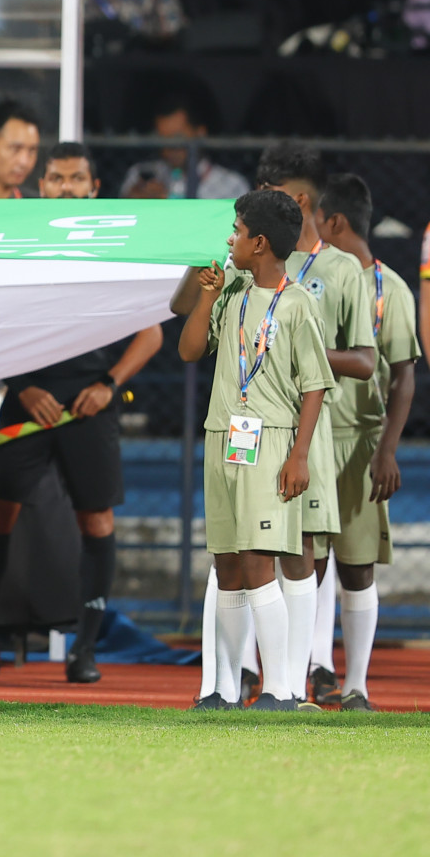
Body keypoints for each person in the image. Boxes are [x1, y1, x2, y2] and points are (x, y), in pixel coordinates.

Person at [0, 143, 164, 683]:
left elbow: (151, 333)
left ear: (94, 190)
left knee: (96, 520)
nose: (66, 188)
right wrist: (22, 388)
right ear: (40, 186)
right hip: (26, 399)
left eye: (76, 180)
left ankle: (84, 651)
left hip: (89, 402)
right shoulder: (18, 246)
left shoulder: (120, 251)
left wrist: (108, 386)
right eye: (56, 179)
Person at [178, 190, 332, 712]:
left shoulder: (297, 305)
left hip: (270, 442)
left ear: (259, 243)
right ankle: (221, 689)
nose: (231, 238)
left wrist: (300, 454)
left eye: (238, 230)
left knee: (259, 563)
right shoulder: (234, 290)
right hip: (223, 436)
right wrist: (206, 295)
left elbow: (315, 384)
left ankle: (280, 690)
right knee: (226, 566)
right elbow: (190, 349)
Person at [250, 144, 374, 709]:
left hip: (316, 435)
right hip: (256, 430)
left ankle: (301, 674)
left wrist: (307, 355)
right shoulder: (254, 261)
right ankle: (261, 674)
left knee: (309, 556)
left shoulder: (343, 270)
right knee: (249, 552)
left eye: (271, 192)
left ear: (298, 201)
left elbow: (367, 361)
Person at [310, 174, 418, 710]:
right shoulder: (315, 279)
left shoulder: (389, 288)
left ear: (333, 222)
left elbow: (403, 375)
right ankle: (306, 673)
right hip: (309, 434)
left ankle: (357, 686)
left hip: (358, 439)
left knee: (356, 565)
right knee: (305, 559)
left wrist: (387, 448)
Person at [119, 95, 249, 200]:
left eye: (177, 138)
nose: (170, 146)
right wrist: (133, 202)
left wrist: (168, 202)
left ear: (200, 133)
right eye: (163, 138)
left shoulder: (231, 184)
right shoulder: (140, 174)